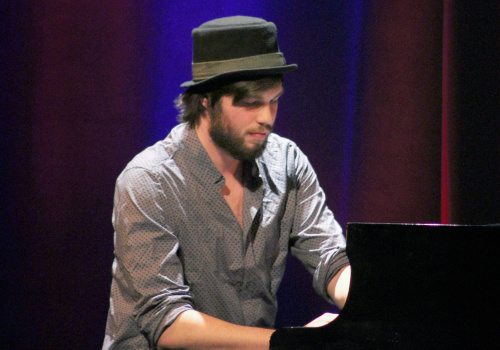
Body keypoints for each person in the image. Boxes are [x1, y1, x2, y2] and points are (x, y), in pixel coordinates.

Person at [103, 15, 351, 350]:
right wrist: (289, 342)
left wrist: (368, 307)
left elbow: (331, 259)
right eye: (250, 103)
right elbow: (167, 322)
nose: (266, 117)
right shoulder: (148, 180)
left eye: (274, 100)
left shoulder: (287, 162)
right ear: (205, 100)